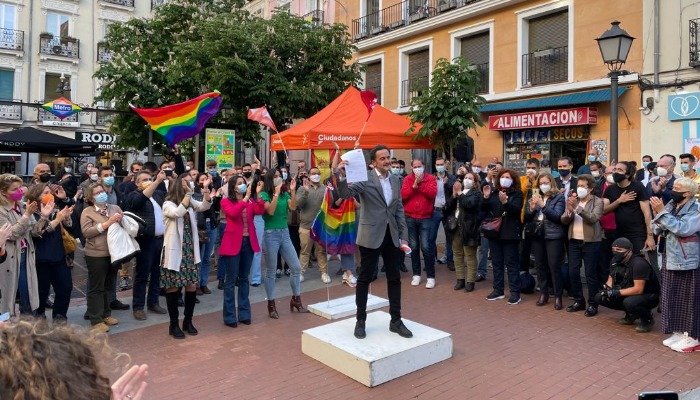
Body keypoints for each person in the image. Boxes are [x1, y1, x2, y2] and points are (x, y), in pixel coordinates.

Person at [336, 144, 413, 339]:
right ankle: (360, 321)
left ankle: (396, 320)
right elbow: (346, 194)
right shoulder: (364, 179)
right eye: (383, 158)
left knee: (394, 278)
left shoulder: (396, 179)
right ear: (373, 163)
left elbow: (398, 209)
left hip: (392, 235)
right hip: (370, 235)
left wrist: (403, 235)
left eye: (388, 157)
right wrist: (342, 175)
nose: (387, 161)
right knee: (365, 278)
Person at [650, 178, 700, 352]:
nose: (673, 190)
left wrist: (662, 213)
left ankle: (693, 337)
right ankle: (679, 332)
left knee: (689, 300)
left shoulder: (696, 209)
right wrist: (661, 215)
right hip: (668, 257)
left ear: (688, 193)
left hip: (687, 261)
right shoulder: (672, 204)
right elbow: (656, 226)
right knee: (672, 297)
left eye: (678, 188)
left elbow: (683, 229)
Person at [160, 175, 211, 339]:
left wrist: (206, 190)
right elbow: (177, 213)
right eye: (184, 183)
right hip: (174, 251)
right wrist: (188, 196)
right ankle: (173, 324)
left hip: (190, 251)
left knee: (191, 286)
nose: (188, 185)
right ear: (176, 187)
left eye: (189, 183)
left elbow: (204, 206)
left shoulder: (189, 203)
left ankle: (188, 321)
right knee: (173, 287)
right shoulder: (168, 204)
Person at [260, 168, 309, 319]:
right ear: (270, 179)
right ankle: (271, 304)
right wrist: (275, 193)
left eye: (279, 176)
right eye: (275, 176)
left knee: (295, 267)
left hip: (284, 233)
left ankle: (296, 299)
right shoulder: (263, 194)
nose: (278, 178)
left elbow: (293, 207)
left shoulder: (284, 193)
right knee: (271, 271)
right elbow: (270, 212)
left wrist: (293, 191)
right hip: (270, 234)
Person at [219, 176, 265, 327]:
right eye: (239, 183)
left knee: (244, 279)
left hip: (248, 243)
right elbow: (232, 214)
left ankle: (244, 314)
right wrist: (245, 199)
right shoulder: (226, 201)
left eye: (244, 183)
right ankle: (230, 316)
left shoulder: (250, 200)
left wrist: (256, 195)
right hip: (233, 244)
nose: (243, 185)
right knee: (231, 280)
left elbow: (260, 210)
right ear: (233, 187)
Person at [26, 184, 74, 321]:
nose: (49, 195)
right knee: (41, 291)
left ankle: (60, 316)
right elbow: (37, 233)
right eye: (45, 193)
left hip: (58, 256)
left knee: (65, 288)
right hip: (40, 259)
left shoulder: (54, 208)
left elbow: (69, 226)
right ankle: (39, 316)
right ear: (36, 196)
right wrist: (53, 219)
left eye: (49, 192)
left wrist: (66, 217)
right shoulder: (31, 212)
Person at [123, 170, 167, 321]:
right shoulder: (133, 195)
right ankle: (138, 307)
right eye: (144, 179)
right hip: (145, 240)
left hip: (160, 240)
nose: (148, 181)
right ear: (136, 183)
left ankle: (153, 302)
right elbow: (139, 201)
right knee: (142, 274)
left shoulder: (157, 195)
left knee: (157, 273)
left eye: (150, 178)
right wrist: (156, 182)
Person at [80, 183, 123, 333]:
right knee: (96, 287)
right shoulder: (88, 211)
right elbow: (87, 232)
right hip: (95, 254)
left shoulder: (114, 208)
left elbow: (123, 226)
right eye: (96, 193)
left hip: (113, 253)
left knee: (108, 285)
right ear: (90, 197)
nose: (100, 194)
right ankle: (96, 319)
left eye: (101, 191)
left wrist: (122, 220)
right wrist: (106, 224)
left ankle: (106, 313)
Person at [595, 237, 660, 333]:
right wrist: (607, 289)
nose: (616, 252)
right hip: (628, 290)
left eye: (619, 250)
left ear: (629, 251)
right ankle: (631, 314)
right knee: (599, 297)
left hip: (648, 295)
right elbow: (610, 278)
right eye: (614, 250)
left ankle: (647, 319)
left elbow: (638, 289)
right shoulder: (614, 260)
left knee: (629, 303)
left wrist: (616, 292)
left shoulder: (638, 263)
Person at [561, 174, 604, 316]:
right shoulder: (574, 200)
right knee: (573, 272)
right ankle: (579, 300)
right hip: (573, 240)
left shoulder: (597, 201)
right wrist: (569, 211)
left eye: (582, 186)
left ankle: (593, 303)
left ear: (590, 189)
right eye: (578, 186)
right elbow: (564, 220)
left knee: (590, 274)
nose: (579, 189)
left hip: (591, 242)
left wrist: (577, 208)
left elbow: (593, 218)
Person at [481, 168, 523, 304]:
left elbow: (516, 211)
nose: (505, 179)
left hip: (510, 233)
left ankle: (515, 292)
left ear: (513, 180)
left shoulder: (517, 194)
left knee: (511, 264)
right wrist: (486, 198)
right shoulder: (493, 192)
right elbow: (484, 210)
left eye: (508, 177)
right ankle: (498, 290)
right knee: (496, 263)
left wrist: (505, 202)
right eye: (503, 176)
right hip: (495, 233)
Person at [524, 172, 566, 309]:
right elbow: (527, 217)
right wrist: (531, 209)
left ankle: (558, 296)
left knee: (554, 266)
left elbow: (557, 216)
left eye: (546, 183)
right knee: (540, 265)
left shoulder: (558, 197)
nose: (543, 185)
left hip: (553, 235)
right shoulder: (536, 196)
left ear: (551, 183)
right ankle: (544, 293)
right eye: (541, 183)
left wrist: (543, 205)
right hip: (537, 234)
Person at [0, 174, 38, 315]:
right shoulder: (1, 210)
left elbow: (34, 230)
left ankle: (25, 326)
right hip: (7, 258)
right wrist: (26, 216)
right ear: (3, 192)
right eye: (14, 189)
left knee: (27, 292)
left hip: (25, 254)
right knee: (6, 295)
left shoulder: (22, 206)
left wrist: (45, 216)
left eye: (20, 187)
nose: (20, 191)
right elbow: (11, 234)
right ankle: (5, 328)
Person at [401, 159, 438, 288]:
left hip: (425, 217)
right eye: (415, 166)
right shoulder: (407, 179)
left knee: (426, 247)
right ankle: (416, 274)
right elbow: (404, 196)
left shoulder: (431, 178)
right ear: (411, 167)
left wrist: (420, 184)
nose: (417, 168)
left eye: (419, 166)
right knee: (414, 247)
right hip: (410, 217)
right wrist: (413, 186)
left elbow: (432, 194)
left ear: (424, 166)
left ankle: (431, 276)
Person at [603, 162, 655, 253]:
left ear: (627, 175)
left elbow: (647, 214)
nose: (615, 172)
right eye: (615, 169)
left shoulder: (638, 187)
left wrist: (650, 237)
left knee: (639, 261)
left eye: (620, 170)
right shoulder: (610, 189)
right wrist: (619, 201)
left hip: (638, 233)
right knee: (621, 261)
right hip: (619, 233)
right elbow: (604, 211)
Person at [446, 171, 481, 292]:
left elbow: (469, 204)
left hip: (469, 228)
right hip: (455, 227)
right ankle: (460, 279)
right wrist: (453, 196)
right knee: (457, 254)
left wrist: (460, 193)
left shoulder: (476, 193)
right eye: (465, 177)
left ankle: (470, 281)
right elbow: (447, 207)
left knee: (470, 255)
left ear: (475, 182)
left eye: (470, 178)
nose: (467, 180)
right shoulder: (457, 193)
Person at [297, 167, 329, 283]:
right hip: (306, 226)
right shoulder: (302, 189)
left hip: (320, 227)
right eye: (313, 173)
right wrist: (305, 191)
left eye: (318, 173)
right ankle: (301, 273)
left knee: (321, 251)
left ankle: (324, 272)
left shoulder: (325, 189)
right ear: (309, 175)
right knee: (305, 251)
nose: (316, 175)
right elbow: (298, 205)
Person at [195, 172, 220, 295]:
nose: (205, 181)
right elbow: (201, 206)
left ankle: (204, 283)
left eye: (206, 179)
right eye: (202, 179)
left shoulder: (212, 191)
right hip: (201, 227)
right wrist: (206, 193)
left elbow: (214, 207)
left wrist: (215, 197)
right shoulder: (195, 193)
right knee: (199, 256)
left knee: (206, 258)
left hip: (212, 225)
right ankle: (196, 284)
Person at [431, 157, 456, 271]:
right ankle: (431, 260)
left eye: (441, 164)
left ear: (445, 165)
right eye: (437, 164)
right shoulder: (431, 177)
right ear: (435, 165)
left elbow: (454, 194)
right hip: (434, 210)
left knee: (449, 237)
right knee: (431, 237)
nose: (439, 166)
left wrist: (446, 184)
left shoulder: (451, 177)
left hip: (447, 210)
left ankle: (450, 261)